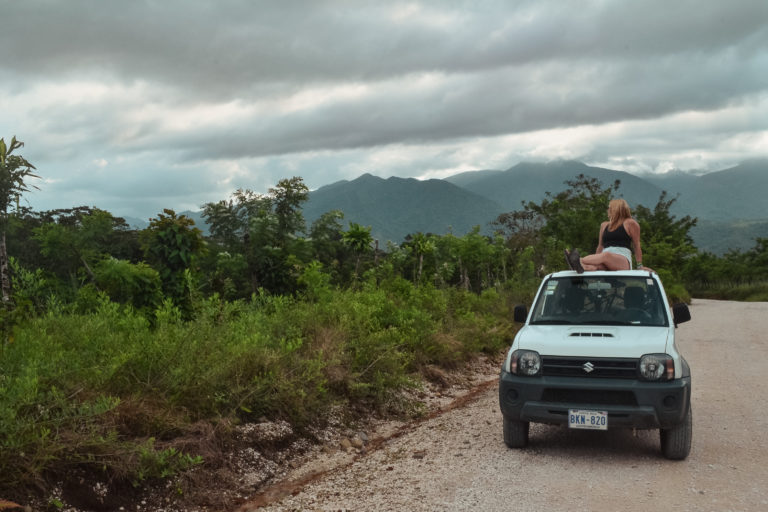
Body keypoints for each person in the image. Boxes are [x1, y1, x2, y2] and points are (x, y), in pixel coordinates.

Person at [565, 198, 643, 273]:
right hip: (604, 256)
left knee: (606, 256)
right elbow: (600, 246)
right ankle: (580, 266)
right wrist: (594, 261)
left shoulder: (630, 223)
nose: (607, 210)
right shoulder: (604, 225)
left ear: (616, 209)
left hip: (622, 259)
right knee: (594, 267)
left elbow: (636, 245)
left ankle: (578, 260)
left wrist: (639, 266)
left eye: (609, 208)